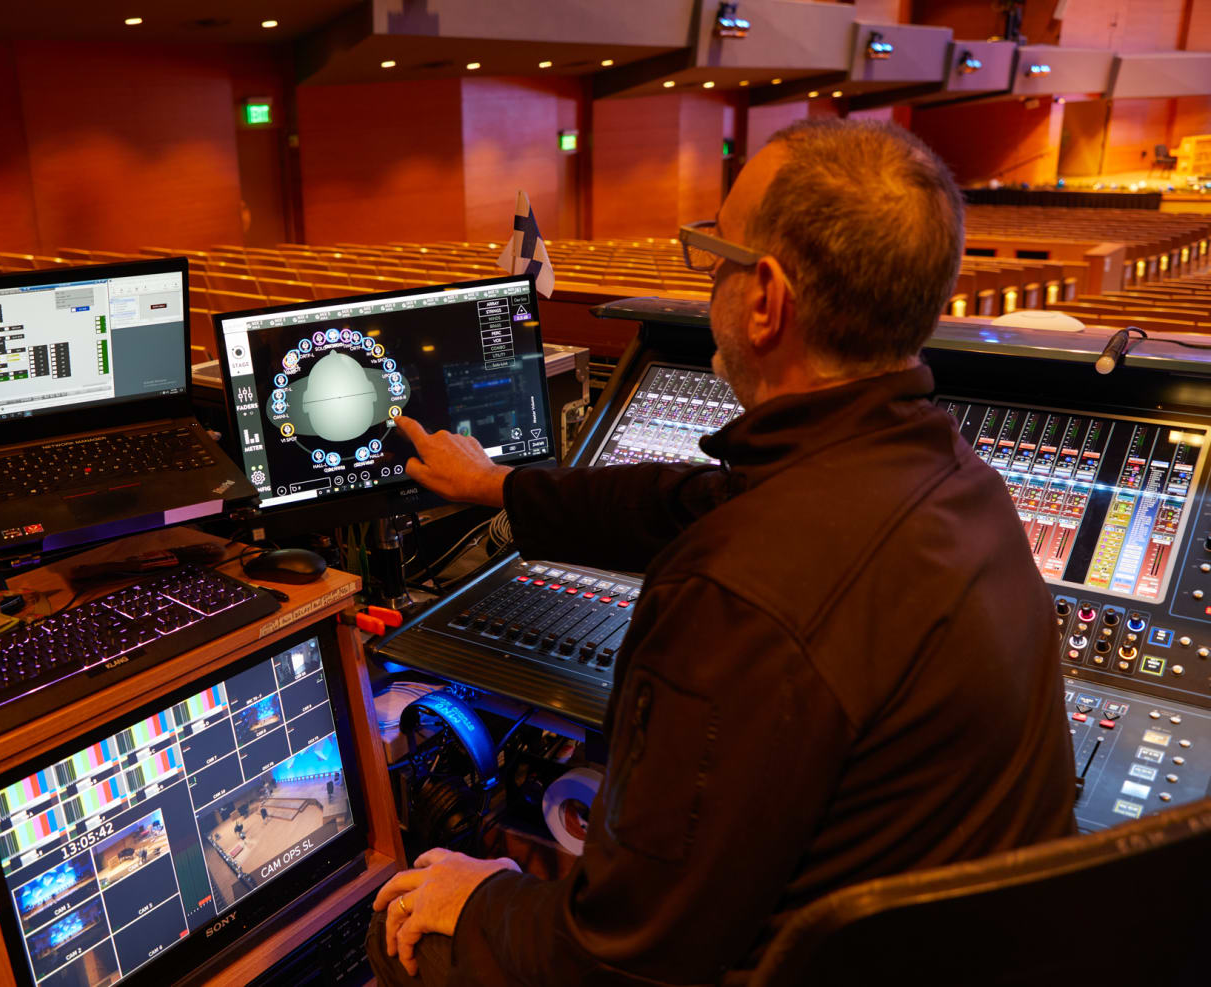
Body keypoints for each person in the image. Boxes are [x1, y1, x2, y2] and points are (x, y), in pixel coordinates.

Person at [367, 119, 1077, 985]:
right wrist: (500, 488)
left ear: (767, 300)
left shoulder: (738, 594)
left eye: (713, 256)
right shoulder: (950, 476)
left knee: (400, 931)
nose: (708, 281)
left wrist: (481, 899)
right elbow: (683, 499)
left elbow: (621, 957)